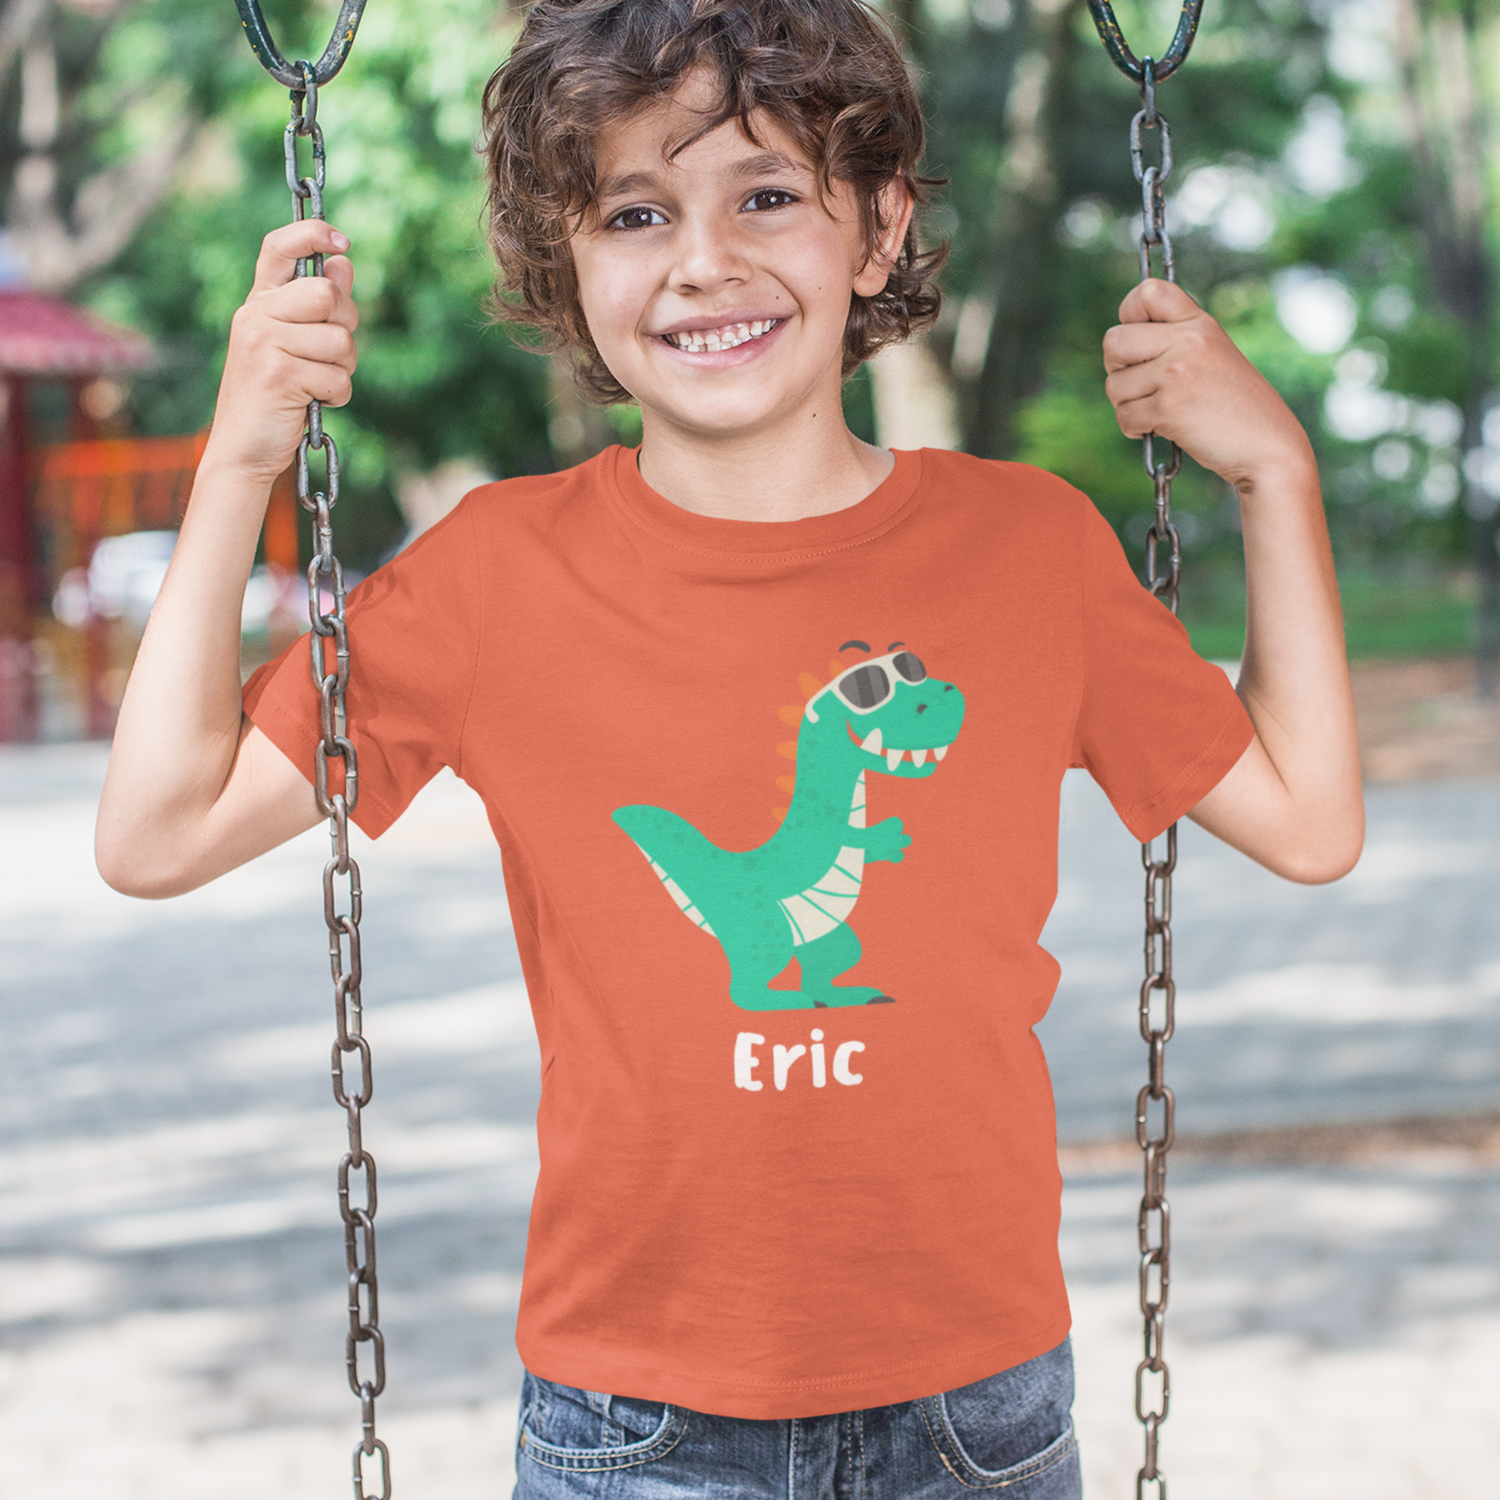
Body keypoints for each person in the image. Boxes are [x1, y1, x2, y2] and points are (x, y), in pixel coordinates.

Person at [96, 1, 1363, 1494]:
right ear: (571, 262)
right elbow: (155, 832)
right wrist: (241, 458)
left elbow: (1305, 818)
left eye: (768, 194)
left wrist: (1274, 473)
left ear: (879, 228)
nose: (705, 262)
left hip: (978, 1405)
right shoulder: (497, 573)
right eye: (637, 211)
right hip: (637, 1418)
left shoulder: (1026, 549)